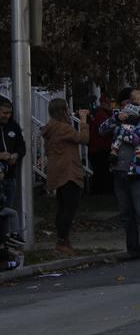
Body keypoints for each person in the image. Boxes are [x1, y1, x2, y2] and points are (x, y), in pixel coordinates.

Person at [100, 88, 140, 260]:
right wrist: (116, 119)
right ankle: (132, 249)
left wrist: (121, 130)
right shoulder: (119, 116)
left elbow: (138, 137)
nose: (129, 109)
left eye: (132, 105)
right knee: (126, 214)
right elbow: (102, 129)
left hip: (139, 170)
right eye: (126, 105)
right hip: (120, 169)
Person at [41, 98, 90, 256]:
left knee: (62, 207)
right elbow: (83, 139)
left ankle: (62, 241)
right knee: (69, 208)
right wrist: (83, 121)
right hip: (69, 172)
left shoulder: (51, 128)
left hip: (57, 171)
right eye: (67, 108)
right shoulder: (62, 128)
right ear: (63, 110)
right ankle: (63, 241)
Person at [0, 95, 26, 210]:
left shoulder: (13, 126)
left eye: (9, 113)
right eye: (4, 113)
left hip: (10, 177)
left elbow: (22, 146)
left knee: (8, 210)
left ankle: (8, 228)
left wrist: (17, 155)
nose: (7, 116)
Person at [87, 94, 113, 194]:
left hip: (98, 149)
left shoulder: (101, 114)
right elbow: (105, 131)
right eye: (107, 103)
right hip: (99, 150)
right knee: (101, 173)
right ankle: (100, 192)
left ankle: (100, 191)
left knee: (101, 172)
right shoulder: (102, 115)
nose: (109, 105)